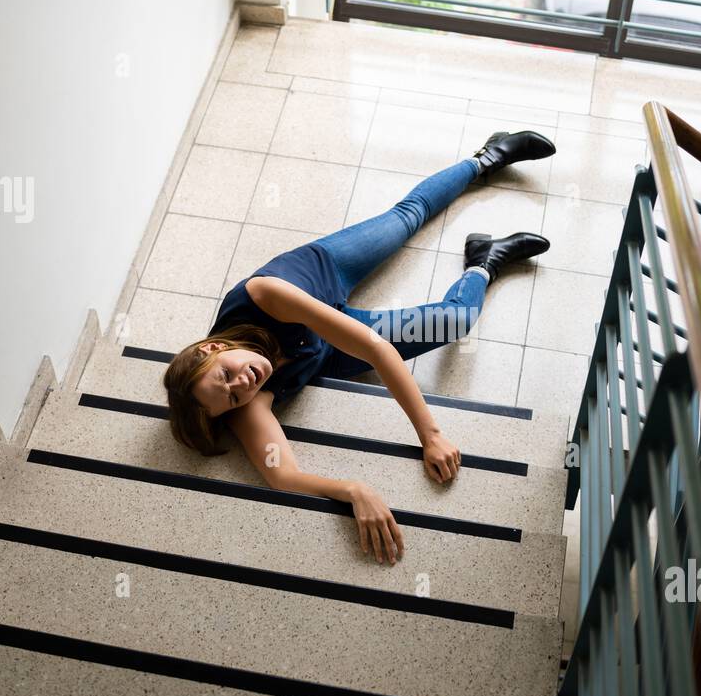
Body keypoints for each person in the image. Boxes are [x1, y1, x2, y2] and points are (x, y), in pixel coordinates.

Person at [163, 131, 556, 566]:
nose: (244, 383)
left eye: (226, 375)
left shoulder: (265, 294)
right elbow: (283, 476)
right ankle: (485, 261)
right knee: (457, 320)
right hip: (327, 349)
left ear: (215, 347)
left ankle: (487, 157)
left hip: (323, 274)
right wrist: (353, 490)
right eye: (235, 397)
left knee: (409, 217)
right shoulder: (243, 402)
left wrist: (431, 435)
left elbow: (376, 350)